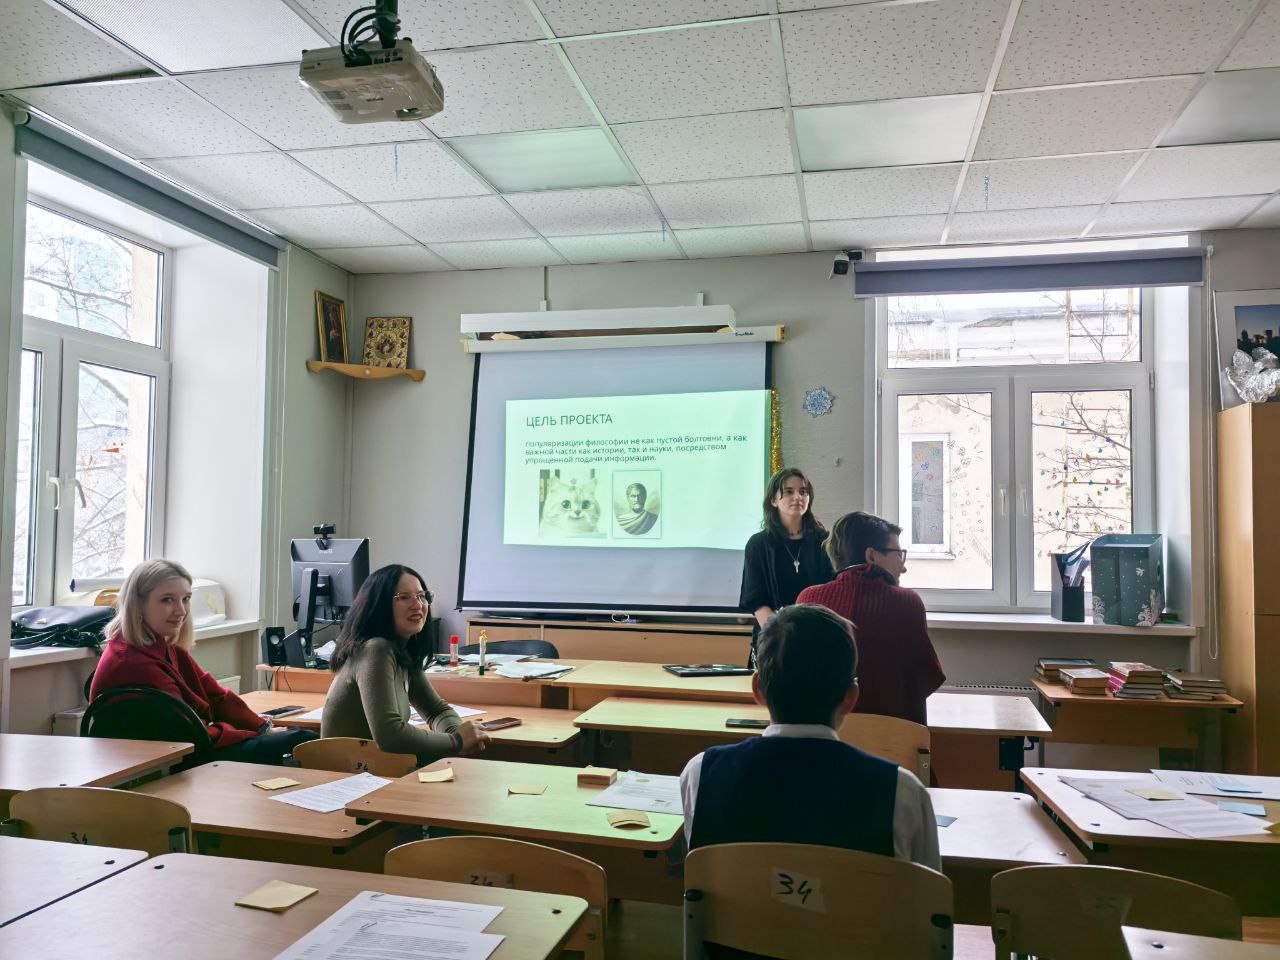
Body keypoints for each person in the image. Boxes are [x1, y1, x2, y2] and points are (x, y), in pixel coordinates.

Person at [679, 604, 939, 869]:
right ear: (851, 698)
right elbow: (926, 890)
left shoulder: (700, 774)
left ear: (758, 689)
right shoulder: (902, 793)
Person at [90, 559, 315, 765]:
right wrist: (248, 734)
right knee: (304, 741)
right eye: (167, 600)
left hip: (192, 747)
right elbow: (191, 732)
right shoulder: (134, 662)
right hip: (177, 760)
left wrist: (263, 727)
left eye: (186, 599)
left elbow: (215, 694)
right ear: (138, 604)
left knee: (297, 738)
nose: (181, 610)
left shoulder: (159, 643)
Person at [322, 564, 490, 766]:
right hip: (349, 775)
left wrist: (459, 734)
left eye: (421, 596)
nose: (417, 604)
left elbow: (436, 710)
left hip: (375, 768)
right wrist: (456, 741)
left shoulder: (402, 649)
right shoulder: (376, 649)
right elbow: (390, 736)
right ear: (379, 605)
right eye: (404, 597)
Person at [796, 511, 945, 726]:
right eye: (898, 554)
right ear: (871, 556)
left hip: (823, 735)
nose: (903, 567)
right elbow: (925, 679)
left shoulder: (808, 599)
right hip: (893, 736)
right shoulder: (907, 602)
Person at [739, 467, 834, 665]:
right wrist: (783, 640)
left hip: (816, 640)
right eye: (789, 491)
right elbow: (757, 601)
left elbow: (831, 593)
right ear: (774, 500)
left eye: (803, 492)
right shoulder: (758, 544)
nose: (798, 497)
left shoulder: (824, 541)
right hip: (773, 642)